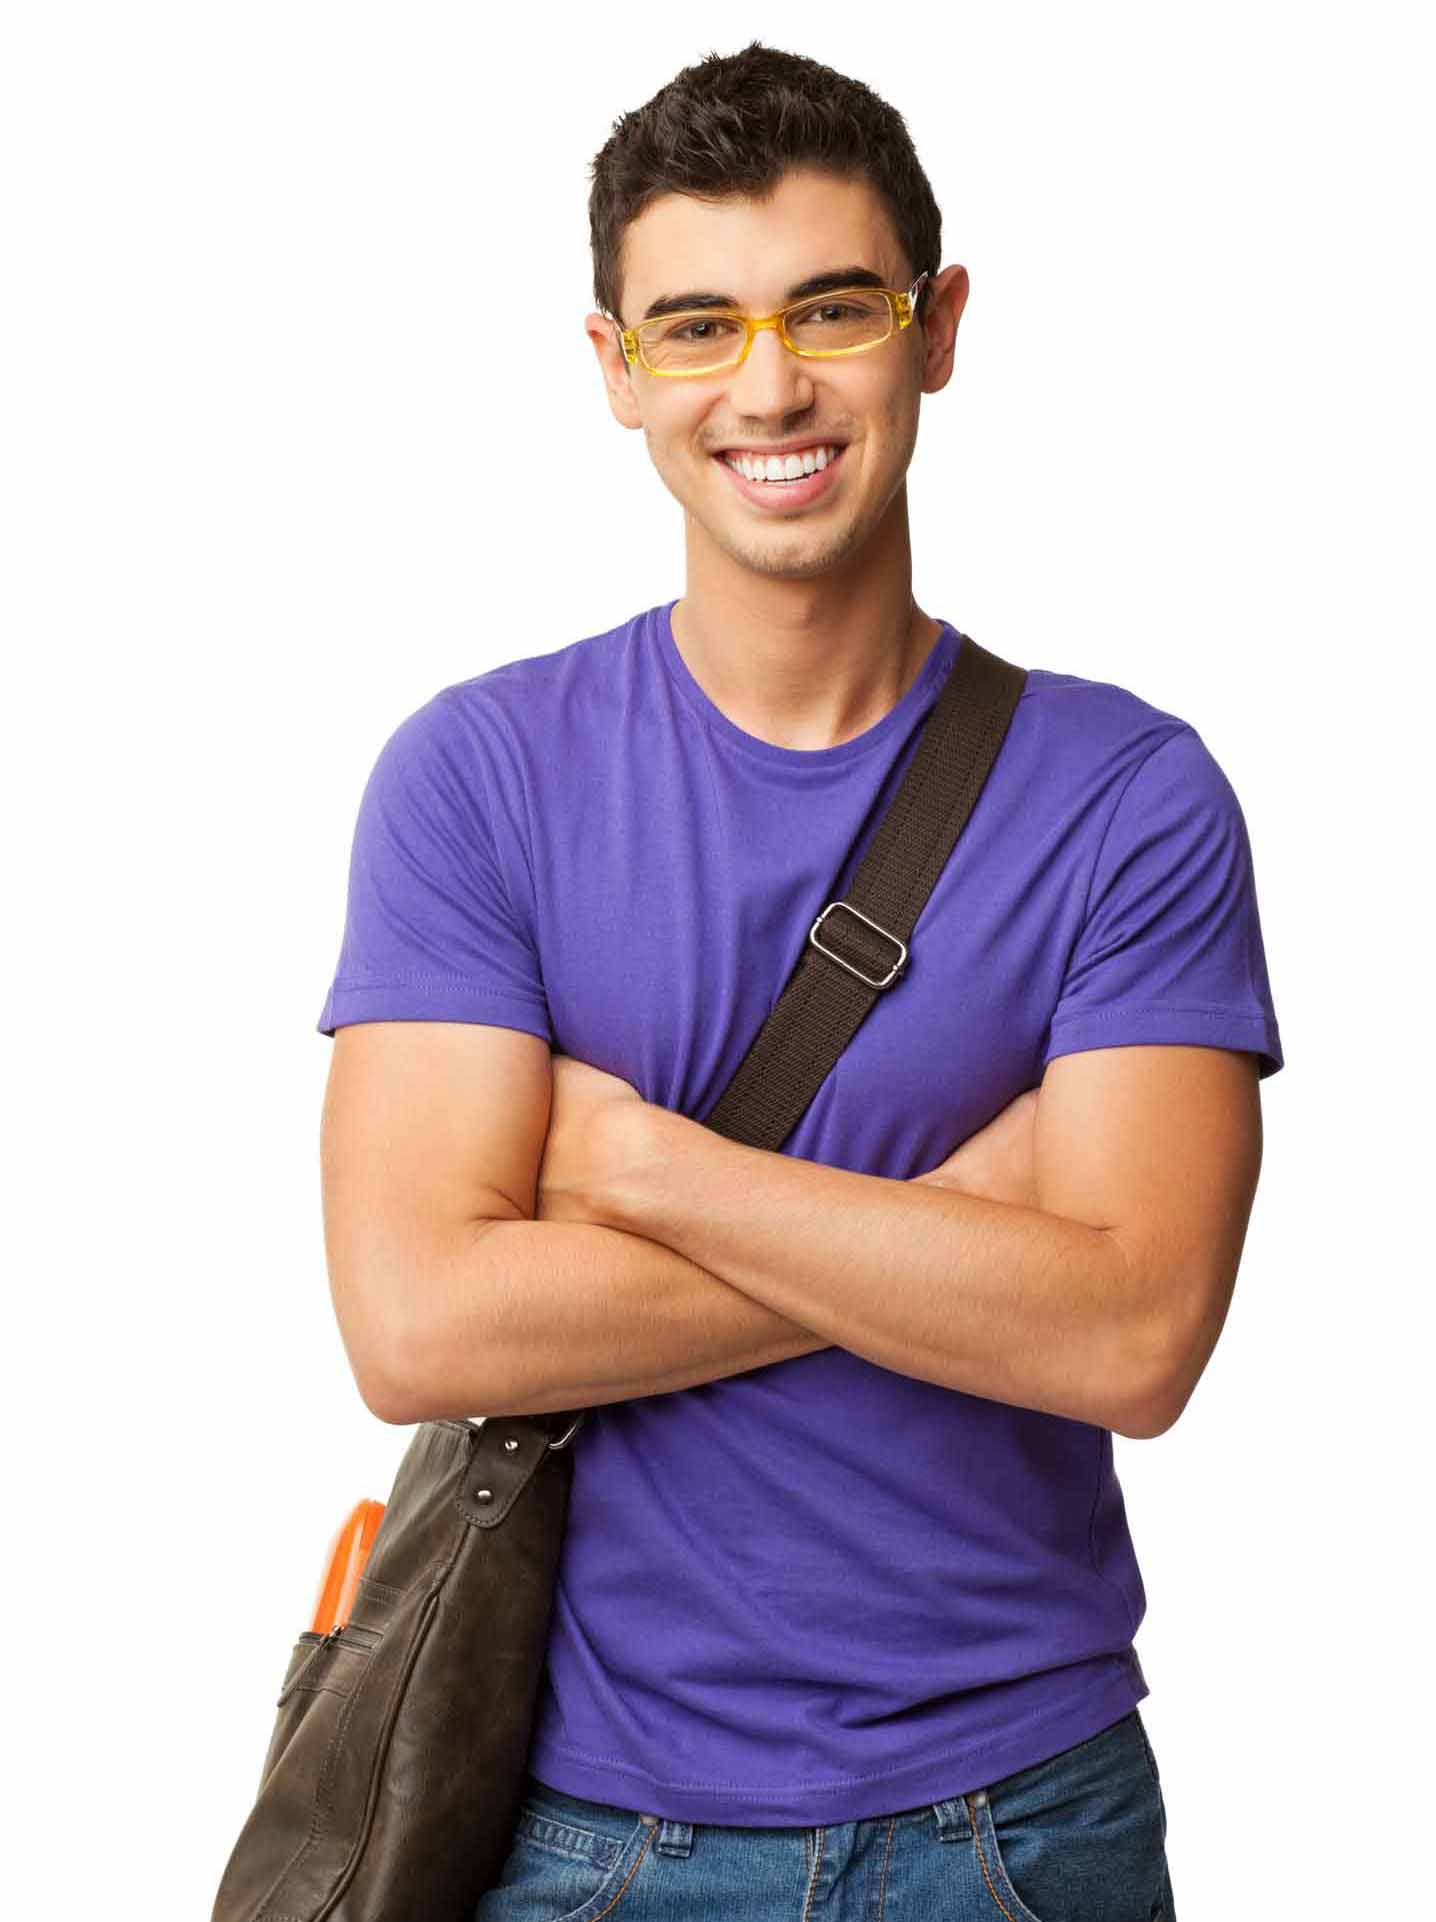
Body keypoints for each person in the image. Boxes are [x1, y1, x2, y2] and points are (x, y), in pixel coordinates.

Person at [316, 40, 1282, 1922]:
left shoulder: (1127, 797)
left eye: (831, 308)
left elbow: (1135, 1337)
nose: (770, 385)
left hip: (1025, 1816)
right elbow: (418, 1326)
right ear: (616, 370)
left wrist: (655, 1174)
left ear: (937, 329)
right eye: (697, 326)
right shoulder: (481, 774)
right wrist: (967, 1229)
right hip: (583, 1833)